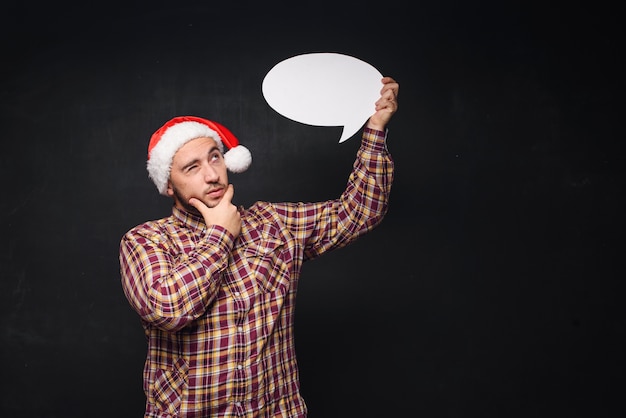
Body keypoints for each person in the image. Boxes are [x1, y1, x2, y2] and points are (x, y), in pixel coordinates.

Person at [119, 76, 399, 417]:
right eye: (192, 168)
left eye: (215, 158)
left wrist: (375, 129)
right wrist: (221, 233)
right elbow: (168, 309)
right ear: (168, 186)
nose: (212, 175)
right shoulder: (145, 241)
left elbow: (359, 212)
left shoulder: (273, 224)